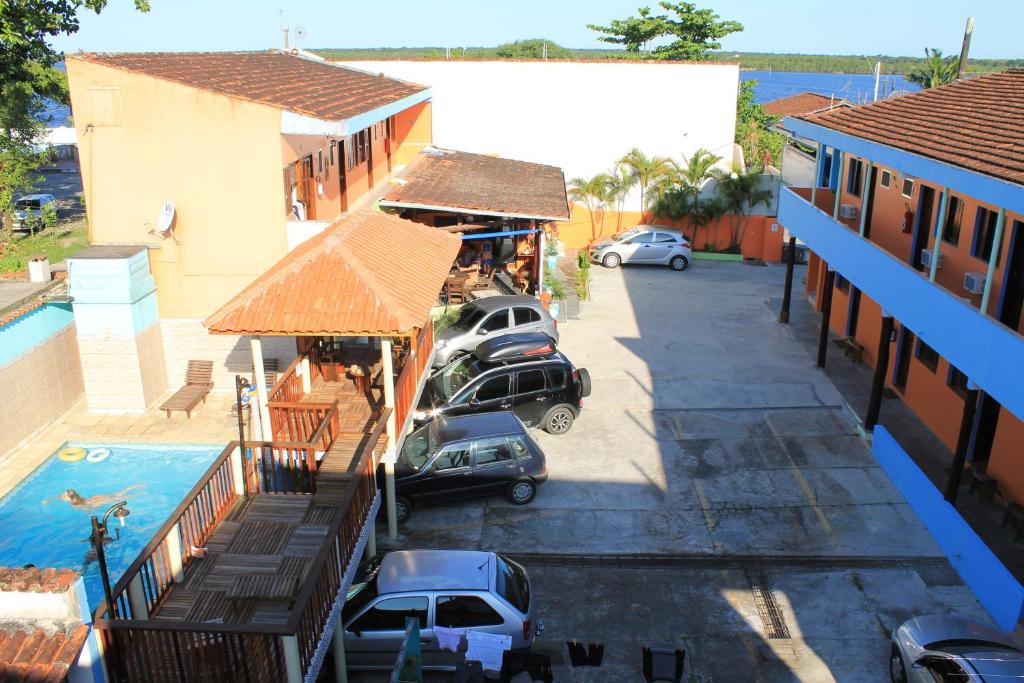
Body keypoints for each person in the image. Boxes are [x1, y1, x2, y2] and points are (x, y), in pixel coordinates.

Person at [44, 484, 145, 509]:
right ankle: (136, 486)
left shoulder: (75, 504)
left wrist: (48, 500)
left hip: (95, 502)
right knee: (118, 494)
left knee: (119, 498)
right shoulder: (73, 497)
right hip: (95, 498)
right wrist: (48, 500)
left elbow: (87, 509)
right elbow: (58, 497)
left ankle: (139, 494)